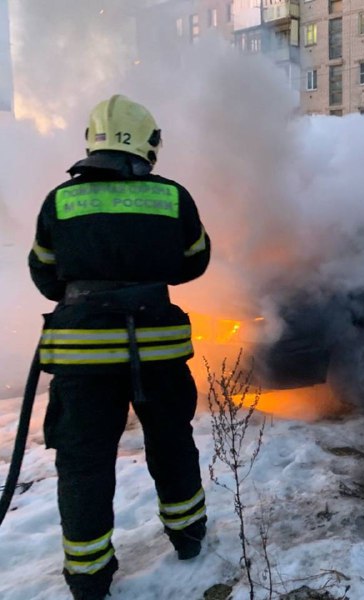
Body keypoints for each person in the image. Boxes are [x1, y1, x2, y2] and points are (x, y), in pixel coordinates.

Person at [28, 94, 212, 600]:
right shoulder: (172, 197)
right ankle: (189, 537)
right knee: (172, 444)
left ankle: (89, 577)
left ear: (93, 145)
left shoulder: (59, 201)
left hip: (82, 362)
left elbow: (44, 273)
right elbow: (194, 262)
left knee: (84, 462)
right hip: (157, 353)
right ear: (148, 146)